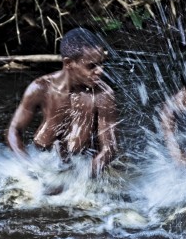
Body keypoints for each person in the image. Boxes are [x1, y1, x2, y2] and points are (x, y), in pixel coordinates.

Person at [6, 28, 118, 177]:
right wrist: (28, 168)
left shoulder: (103, 96)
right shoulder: (40, 88)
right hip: (43, 164)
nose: (100, 71)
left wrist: (76, 182)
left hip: (83, 171)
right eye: (91, 66)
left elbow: (109, 149)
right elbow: (14, 130)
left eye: (101, 64)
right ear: (69, 63)